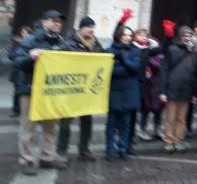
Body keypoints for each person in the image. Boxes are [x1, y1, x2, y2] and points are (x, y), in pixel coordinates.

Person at [12, 10, 69, 175]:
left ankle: (47, 158)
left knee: (50, 128)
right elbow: (17, 61)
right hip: (30, 90)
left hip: (50, 92)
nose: (58, 23)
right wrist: (30, 56)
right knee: (28, 128)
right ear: (44, 22)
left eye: (60, 21)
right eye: (54, 20)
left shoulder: (62, 42)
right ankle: (27, 160)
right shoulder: (30, 40)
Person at [57, 16, 103, 163]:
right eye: (88, 26)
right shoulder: (68, 43)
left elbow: (103, 58)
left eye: (93, 27)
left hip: (88, 91)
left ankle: (84, 150)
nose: (91, 30)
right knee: (65, 123)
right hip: (72, 89)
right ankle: (61, 152)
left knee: (87, 122)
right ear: (80, 28)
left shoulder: (96, 44)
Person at [160, 25, 197, 154]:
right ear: (180, 36)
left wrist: (195, 93)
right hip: (172, 88)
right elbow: (164, 71)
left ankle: (178, 140)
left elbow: (196, 75)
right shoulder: (171, 49)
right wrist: (162, 91)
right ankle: (169, 141)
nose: (187, 38)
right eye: (185, 36)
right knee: (170, 117)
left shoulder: (196, 53)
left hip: (187, 89)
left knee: (181, 118)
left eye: (189, 36)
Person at [105, 19, 141, 162]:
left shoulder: (135, 50)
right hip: (114, 91)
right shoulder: (109, 51)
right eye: (125, 34)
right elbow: (110, 71)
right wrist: (126, 68)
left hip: (129, 91)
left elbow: (135, 69)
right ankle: (109, 150)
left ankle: (123, 148)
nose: (128, 37)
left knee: (126, 123)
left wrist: (123, 62)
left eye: (130, 35)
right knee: (112, 123)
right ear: (119, 35)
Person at [135, 29, 163, 141]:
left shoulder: (155, 50)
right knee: (145, 108)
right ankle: (142, 129)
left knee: (158, 108)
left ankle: (157, 129)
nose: (144, 37)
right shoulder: (138, 49)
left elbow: (160, 60)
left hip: (156, 84)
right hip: (145, 84)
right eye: (141, 35)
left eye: (146, 35)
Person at [7, 26, 32, 118]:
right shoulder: (16, 43)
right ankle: (16, 110)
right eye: (24, 33)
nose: (25, 35)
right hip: (17, 71)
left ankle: (23, 112)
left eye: (28, 33)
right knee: (17, 92)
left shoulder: (32, 43)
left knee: (25, 93)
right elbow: (11, 55)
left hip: (27, 73)